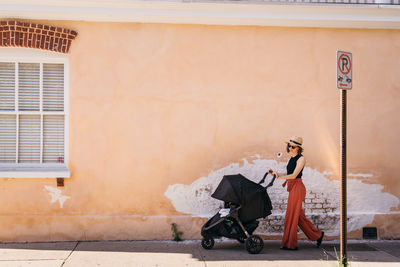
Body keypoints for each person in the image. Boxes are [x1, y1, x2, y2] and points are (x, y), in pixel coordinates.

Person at [269, 136, 324, 250]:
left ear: (298, 148)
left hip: (298, 188)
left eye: (293, 146)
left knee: (292, 216)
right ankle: (318, 235)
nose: (290, 148)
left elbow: (294, 175)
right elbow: (288, 172)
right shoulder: (291, 158)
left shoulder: (301, 159)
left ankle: (290, 244)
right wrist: (276, 173)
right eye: (289, 145)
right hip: (293, 187)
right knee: (298, 217)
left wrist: (280, 177)